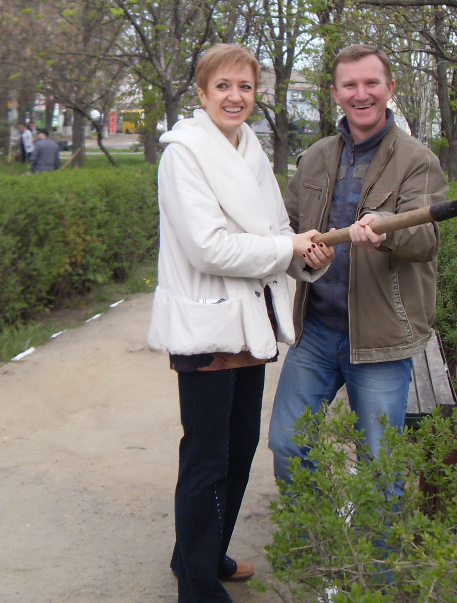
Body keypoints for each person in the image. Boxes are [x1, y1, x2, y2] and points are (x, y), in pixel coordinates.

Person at [146, 43, 332, 603]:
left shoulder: (251, 149)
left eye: (245, 87)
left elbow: (276, 232)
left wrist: (306, 256)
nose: (235, 97)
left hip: (251, 322)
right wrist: (285, 248)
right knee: (206, 459)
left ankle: (200, 554)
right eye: (223, 86)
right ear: (202, 93)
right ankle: (198, 587)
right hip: (207, 327)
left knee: (240, 448)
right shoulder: (183, 155)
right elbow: (208, 248)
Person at [268, 44, 449, 485]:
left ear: (390, 88)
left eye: (371, 83)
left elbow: (426, 240)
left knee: (379, 464)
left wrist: (387, 231)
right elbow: (285, 228)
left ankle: (381, 535)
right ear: (335, 93)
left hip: (380, 338)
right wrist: (299, 252)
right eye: (350, 85)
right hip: (316, 331)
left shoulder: (417, 160)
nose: (361, 93)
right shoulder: (315, 157)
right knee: (288, 444)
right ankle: (314, 526)